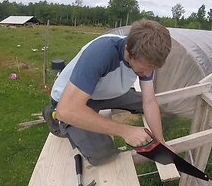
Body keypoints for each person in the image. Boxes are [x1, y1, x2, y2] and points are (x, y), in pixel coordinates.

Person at [43, 19, 172, 165]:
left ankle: (92, 112)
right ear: (129, 50)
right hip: (68, 101)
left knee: (141, 102)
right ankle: (54, 119)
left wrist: (160, 143)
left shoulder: (145, 56)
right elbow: (66, 110)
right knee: (104, 154)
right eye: (143, 69)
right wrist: (126, 131)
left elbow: (149, 101)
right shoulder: (101, 53)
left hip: (102, 92)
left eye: (151, 68)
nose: (146, 73)